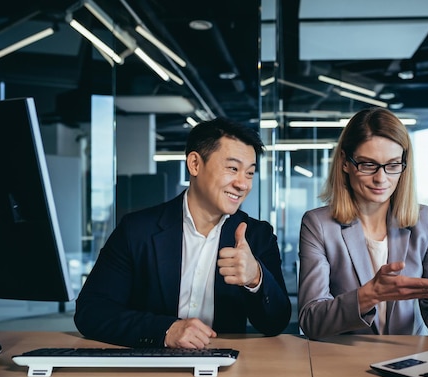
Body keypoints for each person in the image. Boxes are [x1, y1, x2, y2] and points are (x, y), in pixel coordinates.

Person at [298, 108, 428, 356]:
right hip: (343, 362)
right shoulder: (319, 225)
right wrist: (368, 296)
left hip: (406, 360)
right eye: (368, 165)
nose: (381, 178)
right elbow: (311, 319)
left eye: (392, 165)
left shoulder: (425, 221)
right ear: (345, 162)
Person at [75, 117, 292, 348]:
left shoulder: (257, 236)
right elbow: (91, 311)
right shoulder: (137, 230)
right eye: (232, 169)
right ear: (195, 164)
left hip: (224, 368)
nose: (243, 184)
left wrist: (255, 278)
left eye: (249, 173)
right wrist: (166, 330)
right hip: (149, 364)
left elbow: (275, 323)